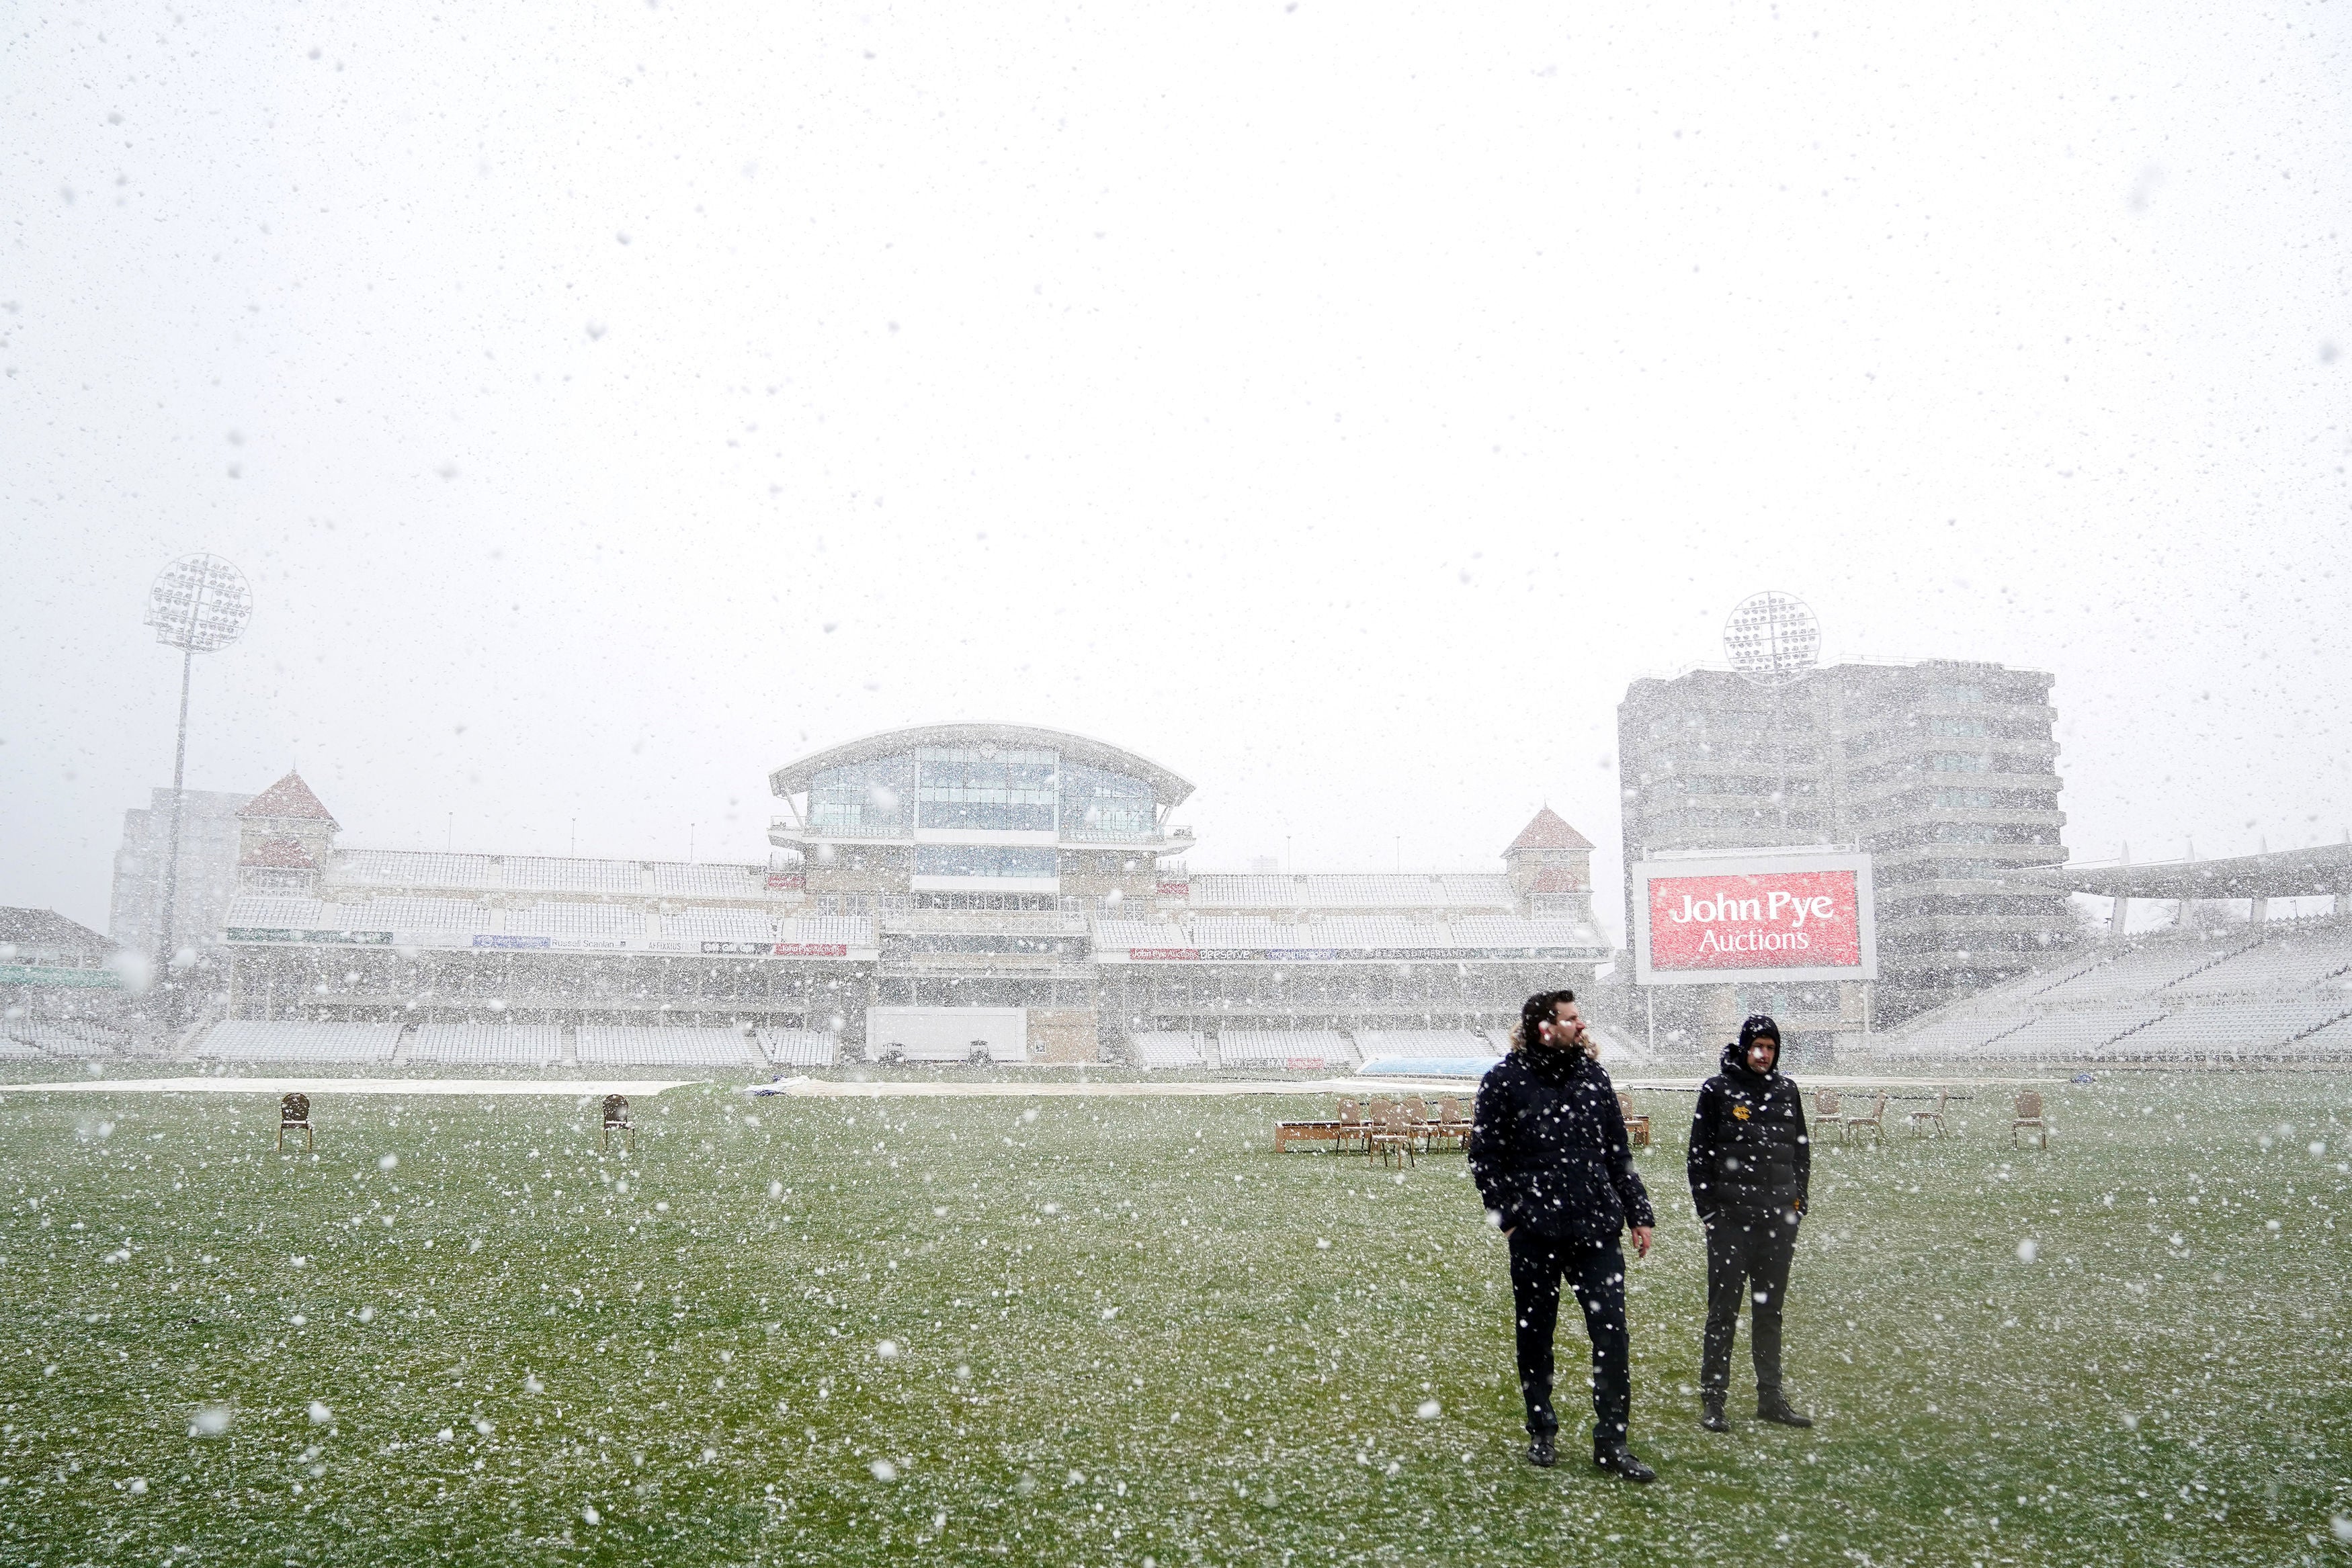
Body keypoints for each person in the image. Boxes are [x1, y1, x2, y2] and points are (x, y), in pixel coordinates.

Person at [1468, 988, 1657, 1481]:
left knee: (1612, 1336)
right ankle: (1542, 1429)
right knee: (1536, 1336)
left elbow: (1618, 1153)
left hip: (1596, 1229)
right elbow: (1486, 1159)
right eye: (1573, 1019)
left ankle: (1612, 1442)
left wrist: (1638, 1212)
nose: (1582, 1025)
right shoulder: (1504, 1082)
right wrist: (1511, 1219)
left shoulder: (1594, 1078)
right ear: (1544, 1026)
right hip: (1536, 1233)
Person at [1686, 1014, 1814, 1432]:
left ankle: (1771, 1398)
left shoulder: (1787, 1090)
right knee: (1723, 1312)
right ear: (1744, 1048)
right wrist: (1710, 1212)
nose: (1763, 1055)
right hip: (1730, 1223)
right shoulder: (1717, 1090)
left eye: (1771, 1048)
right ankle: (1714, 1400)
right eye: (1757, 1046)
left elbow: (1800, 1152)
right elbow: (1699, 1156)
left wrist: (1798, 1203)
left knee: (1769, 1312)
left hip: (1778, 1222)